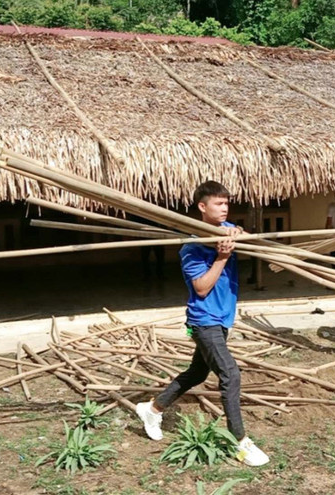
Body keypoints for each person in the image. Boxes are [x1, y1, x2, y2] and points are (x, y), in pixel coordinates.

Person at [135, 181, 269, 467]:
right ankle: (240, 442)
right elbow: (201, 288)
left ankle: (152, 409)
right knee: (230, 374)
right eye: (218, 204)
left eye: (226, 203)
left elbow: (256, 244)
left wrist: (240, 234)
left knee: (197, 372)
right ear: (202, 206)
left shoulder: (227, 230)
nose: (224, 208)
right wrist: (222, 257)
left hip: (221, 319)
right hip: (203, 322)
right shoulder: (191, 248)